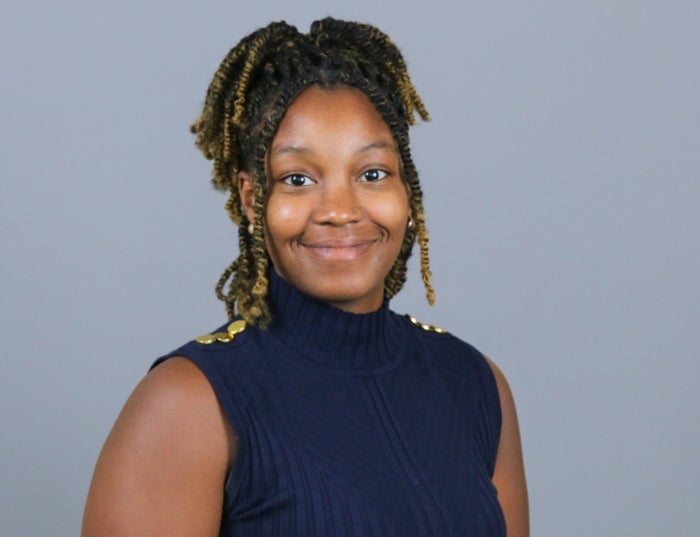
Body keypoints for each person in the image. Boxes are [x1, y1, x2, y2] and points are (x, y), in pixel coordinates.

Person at [82, 17, 528, 537]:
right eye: (297, 179)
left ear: (408, 191)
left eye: (372, 174)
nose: (339, 210)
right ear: (252, 199)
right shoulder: (190, 402)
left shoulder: (473, 383)